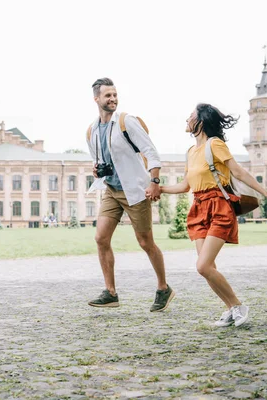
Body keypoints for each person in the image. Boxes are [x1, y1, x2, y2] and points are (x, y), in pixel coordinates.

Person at [161, 103, 267, 327]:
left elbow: (239, 172)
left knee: (202, 265)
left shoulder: (215, 144)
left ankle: (238, 306)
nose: (186, 119)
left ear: (200, 122)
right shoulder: (190, 152)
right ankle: (230, 309)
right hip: (198, 208)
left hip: (218, 206)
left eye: (190, 116)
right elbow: (184, 186)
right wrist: (159, 189)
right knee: (207, 268)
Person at [86, 77, 174, 311]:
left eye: (114, 94)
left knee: (145, 242)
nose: (112, 98)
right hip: (111, 191)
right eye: (107, 95)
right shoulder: (92, 130)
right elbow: (102, 160)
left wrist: (154, 181)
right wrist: (97, 169)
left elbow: (151, 152)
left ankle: (163, 288)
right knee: (100, 238)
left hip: (135, 190)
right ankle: (111, 293)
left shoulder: (127, 121)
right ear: (97, 99)